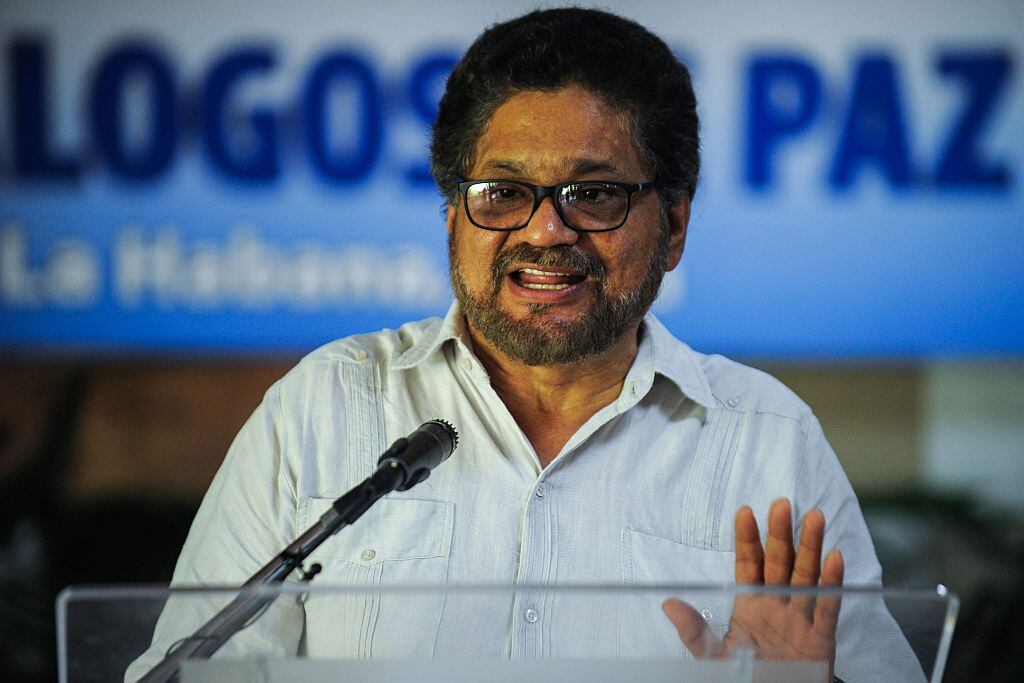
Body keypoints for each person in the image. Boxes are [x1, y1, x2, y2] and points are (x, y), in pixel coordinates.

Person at [131, 8, 923, 681]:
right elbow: (182, 669)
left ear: (675, 224)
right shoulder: (324, 408)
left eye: (594, 194)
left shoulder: (768, 442)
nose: (545, 231)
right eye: (504, 192)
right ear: (452, 217)